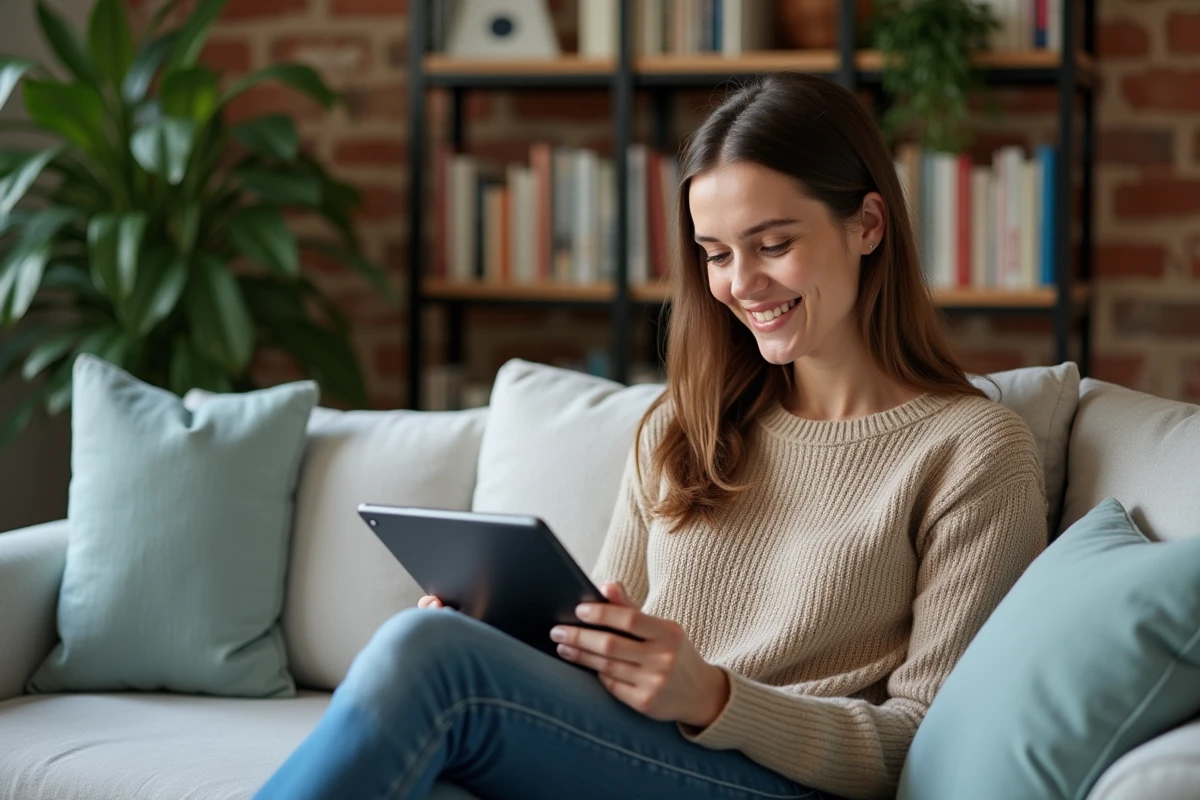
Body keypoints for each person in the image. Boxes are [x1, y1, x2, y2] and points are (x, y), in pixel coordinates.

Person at [255, 71, 1047, 800]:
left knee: (422, 659)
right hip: (640, 752)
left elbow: (924, 745)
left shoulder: (972, 450)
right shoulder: (683, 426)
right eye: (716, 254)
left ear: (867, 224)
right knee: (431, 640)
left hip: (785, 782)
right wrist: (504, 635)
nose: (741, 284)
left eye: (774, 245)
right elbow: (599, 641)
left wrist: (716, 696)